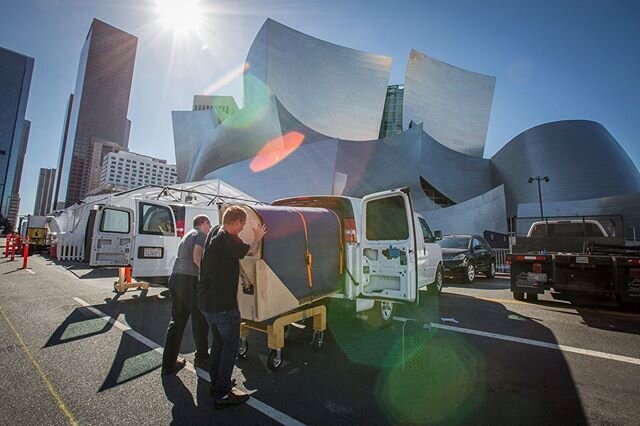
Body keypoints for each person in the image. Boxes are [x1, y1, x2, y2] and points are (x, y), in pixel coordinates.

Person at [199, 206, 267, 408]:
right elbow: (252, 250)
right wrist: (258, 236)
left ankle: (218, 384)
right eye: (243, 224)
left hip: (206, 302)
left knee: (218, 344)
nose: (243, 228)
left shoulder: (214, 233)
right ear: (236, 223)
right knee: (230, 347)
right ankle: (222, 394)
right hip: (223, 305)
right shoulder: (229, 239)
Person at [161, 214, 212, 375]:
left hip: (176, 278)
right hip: (190, 280)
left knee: (177, 321)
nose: (209, 229)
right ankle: (202, 357)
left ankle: (169, 364)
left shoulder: (187, 235)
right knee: (200, 319)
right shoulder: (201, 235)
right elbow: (197, 258)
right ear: (204, 223)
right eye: (209, 226)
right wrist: (208, 275)